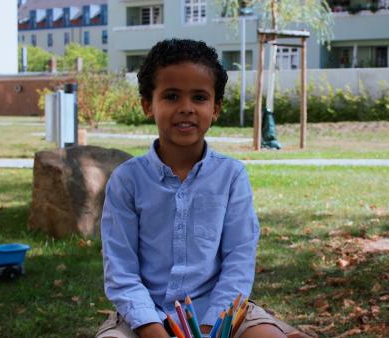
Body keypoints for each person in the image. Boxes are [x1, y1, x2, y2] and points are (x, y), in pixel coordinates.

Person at [96, 39, 308, 338]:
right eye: (171, 96)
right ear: (148, 105)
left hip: (221, 313)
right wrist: (153, 330)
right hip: (143, 316)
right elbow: (122, 272)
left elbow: (238, 261)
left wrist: (210, 330)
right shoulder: (127, 180)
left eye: (199, 97)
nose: (186, 109)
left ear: (216, 108)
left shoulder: (231, 175)